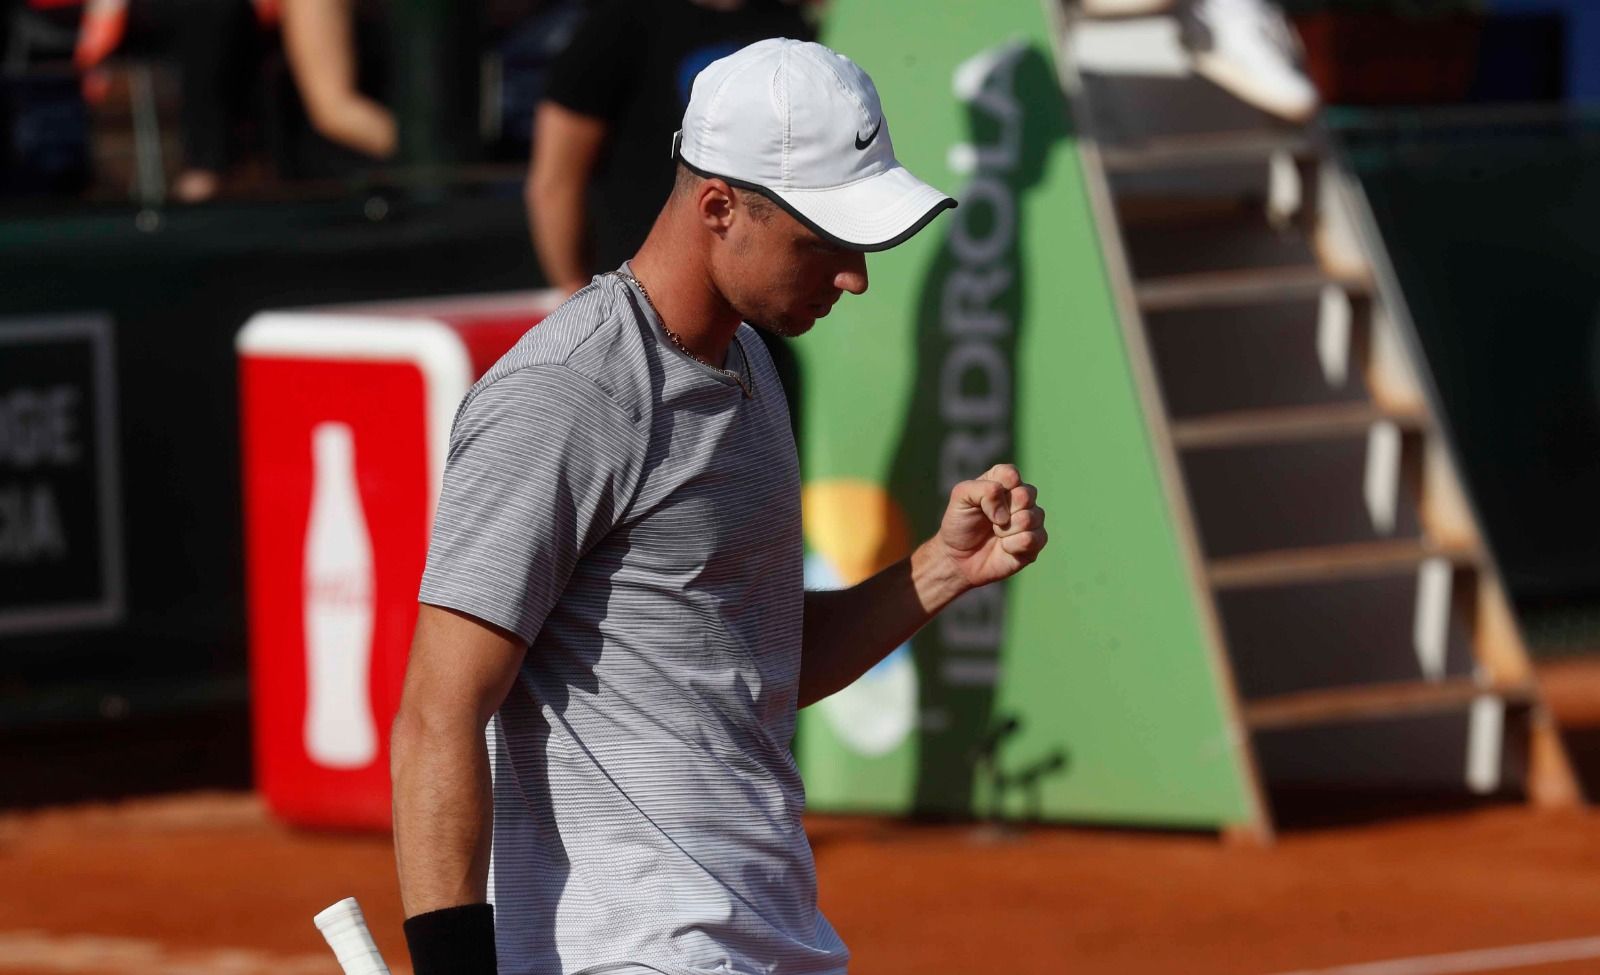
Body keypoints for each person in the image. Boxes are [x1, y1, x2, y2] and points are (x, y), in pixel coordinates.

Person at [390, 38, 1049, 975]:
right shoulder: (565, 395)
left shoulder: (748, 366)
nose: (854, 275)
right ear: (717, 207)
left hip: (767, 940)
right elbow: (438, 711)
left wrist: (941, 568)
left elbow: (757, 660)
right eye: (825, 241)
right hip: (631, 952)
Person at [525, 0, 815, 298]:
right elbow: (555, 182)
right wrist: (576, 291)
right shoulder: (619, 24)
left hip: (760, 296)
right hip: (644, 293)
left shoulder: (789, 29)